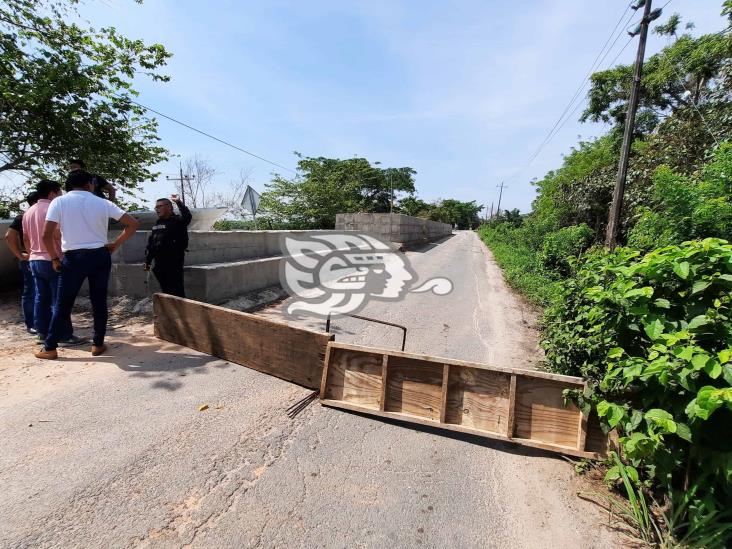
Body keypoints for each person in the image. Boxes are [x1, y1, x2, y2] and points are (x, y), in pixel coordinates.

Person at [35, 170, 139, 360]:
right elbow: (132, 224)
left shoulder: (59, 202)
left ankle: (50, 347)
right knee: (98, 301)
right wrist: (115, 244)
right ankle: (97, 344)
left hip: (73, 258)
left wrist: (55, 259)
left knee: (63, 303)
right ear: (89, 184)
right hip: (100, 255)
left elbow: (46, 235)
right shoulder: (102, 202)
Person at [23, 180, 85, 346]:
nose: (61, 196)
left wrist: (31, 255)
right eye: (59, 192)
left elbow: (26, 238)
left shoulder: (29, 211)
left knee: (41, 299)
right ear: (52, 193)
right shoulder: (53, 208)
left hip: (35, 260)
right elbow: (56, 234)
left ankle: (42, 332)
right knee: (60, 300)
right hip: (52, 259)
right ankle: (65, 335)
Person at [143, 194, 192, 297]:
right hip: (159, 264)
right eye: (156, 207)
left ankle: (181, 312)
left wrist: (178, 202)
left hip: (173, 263)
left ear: (169, 207)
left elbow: (187, 216)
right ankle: (170, 312)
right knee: (167, 291)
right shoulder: (157, 224)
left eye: (159, 206)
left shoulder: (178, 221)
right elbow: (151, 243)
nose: (156, 209)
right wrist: (147, 260)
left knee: (177, 291)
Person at [4, 191, 39, 333]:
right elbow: (9, 236)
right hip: (35, 258)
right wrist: (20, 255)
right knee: (32, 291)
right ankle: (32, 324)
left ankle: (35, 323)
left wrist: (20, 255)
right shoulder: (26, 217)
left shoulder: (24, 216)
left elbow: (8, 236)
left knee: (34, 291)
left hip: (31, 258)